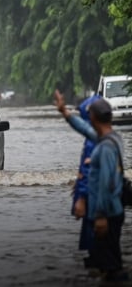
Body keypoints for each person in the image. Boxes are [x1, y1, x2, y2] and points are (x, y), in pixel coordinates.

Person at [54, 89, 128, 282]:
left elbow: (106, 184)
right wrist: (65, 113)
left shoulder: (104, 148)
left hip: (108, 213)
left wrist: (100, 216)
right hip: (113, 210)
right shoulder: (112, 138)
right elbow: (85, 130)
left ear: (93, 118)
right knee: (106, 262)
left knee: (110, 266)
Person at [71, 94, 100, 268]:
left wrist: (81, 198)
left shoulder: (93, 140)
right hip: (98, 201)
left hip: (94, 201)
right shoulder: (103, 136)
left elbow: (89, 173)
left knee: (95, 239)